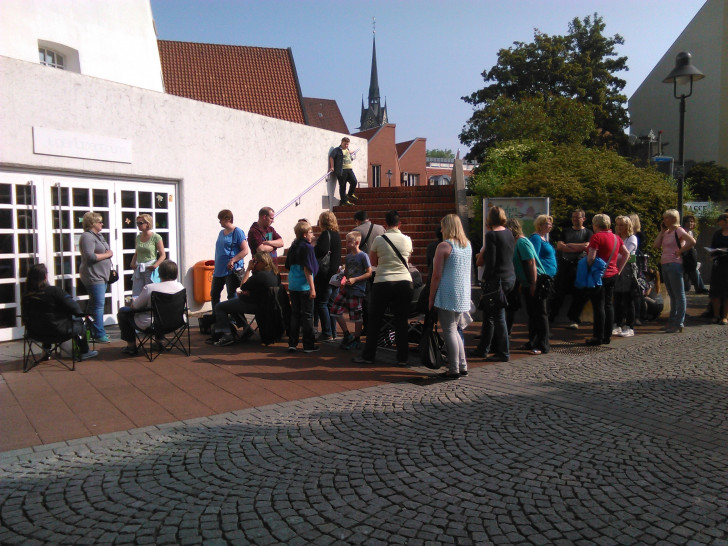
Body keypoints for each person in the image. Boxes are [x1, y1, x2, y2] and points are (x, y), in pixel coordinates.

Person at [353, 210, 413, 366]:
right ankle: (402, 358)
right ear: (400, 224)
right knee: (401, 321)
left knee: (374, 320)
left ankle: (369, 355)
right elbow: (407, 259)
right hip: (404, 282)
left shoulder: (380, 240)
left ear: (385, 224)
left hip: (383, 281)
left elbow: (373, 261)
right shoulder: (407, 240)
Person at [23, 263, 98, 361]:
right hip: (60, 331)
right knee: (78, 320)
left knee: (45, 321)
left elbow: (25, 316)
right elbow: (75, 309)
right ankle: (84, 351)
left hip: (35, 333)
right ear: (45, 276)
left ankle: (46, 351)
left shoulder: (26, 296)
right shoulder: (54, 291)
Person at [428, 214, 472, 379]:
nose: (441, 229)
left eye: (442, 226)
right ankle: (462, 365)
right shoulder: (467, 245)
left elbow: (436, 275)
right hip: (462, 292)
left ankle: (454, 368)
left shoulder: (444, 246)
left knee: (449, 330)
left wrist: (431, 297)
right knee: (456, 329)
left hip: (447, 292)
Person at [471, 206, 515, 362]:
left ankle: (503, 352)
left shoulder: (491, 235)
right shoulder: (509, 233)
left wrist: (484, 280)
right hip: (509, 276)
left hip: (497, 279)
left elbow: (491, 261)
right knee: (490, 315)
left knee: (497, 316)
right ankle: (483, 349)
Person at [117, 260, 185, 355]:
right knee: (162, 312)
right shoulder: (180, 287)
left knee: (123, 312)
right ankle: (159, 342)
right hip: (176, 322)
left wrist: (134, 302)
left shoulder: (150, 288)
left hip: (153, 324)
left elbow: (135, 307)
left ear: (159, 273)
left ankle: (131, 346)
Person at [212, 251, 280, 346]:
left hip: (255, 305)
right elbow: (261, 289)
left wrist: (248, 269)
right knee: (232, 303)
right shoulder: (275, 274)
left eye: (256, 262)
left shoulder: (259, 276)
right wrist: (250, 292)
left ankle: (227, 335)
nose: (255, 264)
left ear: (263, 262)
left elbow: (242, 286)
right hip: (268, 306)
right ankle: (246, 327)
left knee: (219, 307)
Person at [586, 214, 630, 346]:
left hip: (599, 276)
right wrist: (619, 269)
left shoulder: (596, 237)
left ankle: (597, 336)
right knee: (608, 305)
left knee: (598, 306)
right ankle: (607, 335)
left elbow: (591, 258)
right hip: (612, 274)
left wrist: (588, 268)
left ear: (596, 225)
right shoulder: (616, 237)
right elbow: (626, 253)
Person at [508, 218, 549, 355]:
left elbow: (531, 262)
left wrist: (533, 283)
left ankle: (543, 345)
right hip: (527, 282)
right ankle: (532, 342)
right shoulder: (516, 242)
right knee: (532, 314)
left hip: (537, 281)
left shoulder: (522, 241)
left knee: (539, 314)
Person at [652, 209, 696, 333]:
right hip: (665, 264)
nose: (664, 220)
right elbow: (656, 245)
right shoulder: (666, 232)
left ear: (673, 219)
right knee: (672, 295)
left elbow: (692, 241)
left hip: (675, 264)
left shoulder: (679, 230)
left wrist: (680, 251)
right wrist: (661, 232)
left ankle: (679, 322)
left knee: (679, 294)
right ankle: (672, 321)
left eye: (666, 218)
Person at [330, 231, 372, 350]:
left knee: (356, 315)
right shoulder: (348, 257)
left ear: (357, 242)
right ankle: (347, 334)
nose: (347, 243)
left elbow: (369, 273)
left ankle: (357, 338)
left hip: (357, 289)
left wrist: (355, 279)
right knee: (335, 310)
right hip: (347, 287)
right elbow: (348, 272)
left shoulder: (363, 256)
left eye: (349, 241)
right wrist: (342, 276)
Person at [550, 208, 592, 328]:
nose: (575, 219)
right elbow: (560, 246)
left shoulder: (588, 233)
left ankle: (574, 318)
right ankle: (552, 316)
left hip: (580, 265)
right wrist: (578, 247)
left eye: (577, 217)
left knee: (579, 293)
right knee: (559, 291)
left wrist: (569, 246)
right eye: (573, 217)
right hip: (565, 264)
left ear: (583, 219)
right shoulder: (566, 231)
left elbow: (587, 246)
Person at [79, 211, 113, 343]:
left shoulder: (99, 236)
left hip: (102, 275)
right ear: (92, 223)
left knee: (94, 305)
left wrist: (107, 254)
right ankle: (98, 334)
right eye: (99, 222)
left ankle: (89, 330)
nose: (102, 224)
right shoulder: (87, 236)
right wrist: (107, 255)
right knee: (98, 305)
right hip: (93, 275)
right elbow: (90, 256)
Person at [285, 220, 319, 353]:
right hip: (304, 286)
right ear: (305, 234)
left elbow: (288, 266)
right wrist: (312, 288)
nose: (312, 234)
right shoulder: (308, 248)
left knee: (295, 314)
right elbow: (307, 269)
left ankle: (292, 343)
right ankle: (308, 345)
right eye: (311, 232)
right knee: (307, 315)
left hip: (293, 284)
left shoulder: (293, 246)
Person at [211, 209, 249, 311]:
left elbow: (245, 250)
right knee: (214, 294)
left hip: (230, 270)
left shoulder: (238, 232)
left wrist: (233, 260)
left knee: (231, 296)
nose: (219, 222)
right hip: (219, 270)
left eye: (221, 219)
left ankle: (237, 320)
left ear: (228, 219)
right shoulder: (221, 233)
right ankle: (217, 317)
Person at [313, 211, 341, 343]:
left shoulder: (326, 234)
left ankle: (327, 332)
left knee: (321, 303)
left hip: (325, 274)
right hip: (334, 273)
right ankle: (333, 332)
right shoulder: (336, 235)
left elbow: (321, 250)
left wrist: (313, 247)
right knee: (331, 305)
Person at [613, 215, 638, 337]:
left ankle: (629, 326)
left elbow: (623, 255)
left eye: (621, 225)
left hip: (627, 271)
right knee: (617, 298)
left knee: (628, 299)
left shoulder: (631, 239)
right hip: (616, 269)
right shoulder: (616, 238)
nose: (619, 227)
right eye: (617, 224)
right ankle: (617, 323)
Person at [130, 214, 166, 297]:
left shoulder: (156, 237)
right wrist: (132, 263)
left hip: (150, 268)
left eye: (140, 223)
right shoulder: (138, 237)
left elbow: (163, 255)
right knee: (137, 293)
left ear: (147, 224)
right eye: (137, 223)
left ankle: (150, 309)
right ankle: (137, 308)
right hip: (139, 268)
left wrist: (155, 265)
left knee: (150, 293)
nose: (138, 225)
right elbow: (136, 253)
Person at [708, 212, 728, 325]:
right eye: (721, 225)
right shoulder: (717, 234)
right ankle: (716, 315)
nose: (722, 227)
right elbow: (713, 246)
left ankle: (725, 316)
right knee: (716, 292)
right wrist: (712, 253)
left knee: (726, 292)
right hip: (718, 264)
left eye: (724, 224)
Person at [681, 215, 708, 294]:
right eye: (688, 221)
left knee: (695, 269)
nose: (690, 223)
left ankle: (700, 287)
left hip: (690, 255)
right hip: (685, 255)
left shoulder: (690, 232)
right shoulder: (683, 232)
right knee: (694, 269)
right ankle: (700, 287)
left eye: (692, 222)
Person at [328, 137, 358, 206]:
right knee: (343, 186)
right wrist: (332, 167)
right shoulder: (337, 150)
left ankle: (350, 194)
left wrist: (354, 151)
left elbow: (349, 152)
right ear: (341, 142)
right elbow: (331, 157)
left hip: (349, 170)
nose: (346, 145)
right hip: (342, 170)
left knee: (354, 181)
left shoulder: (347, 149)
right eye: (345, 144)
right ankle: (344, 201)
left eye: (347, 144)